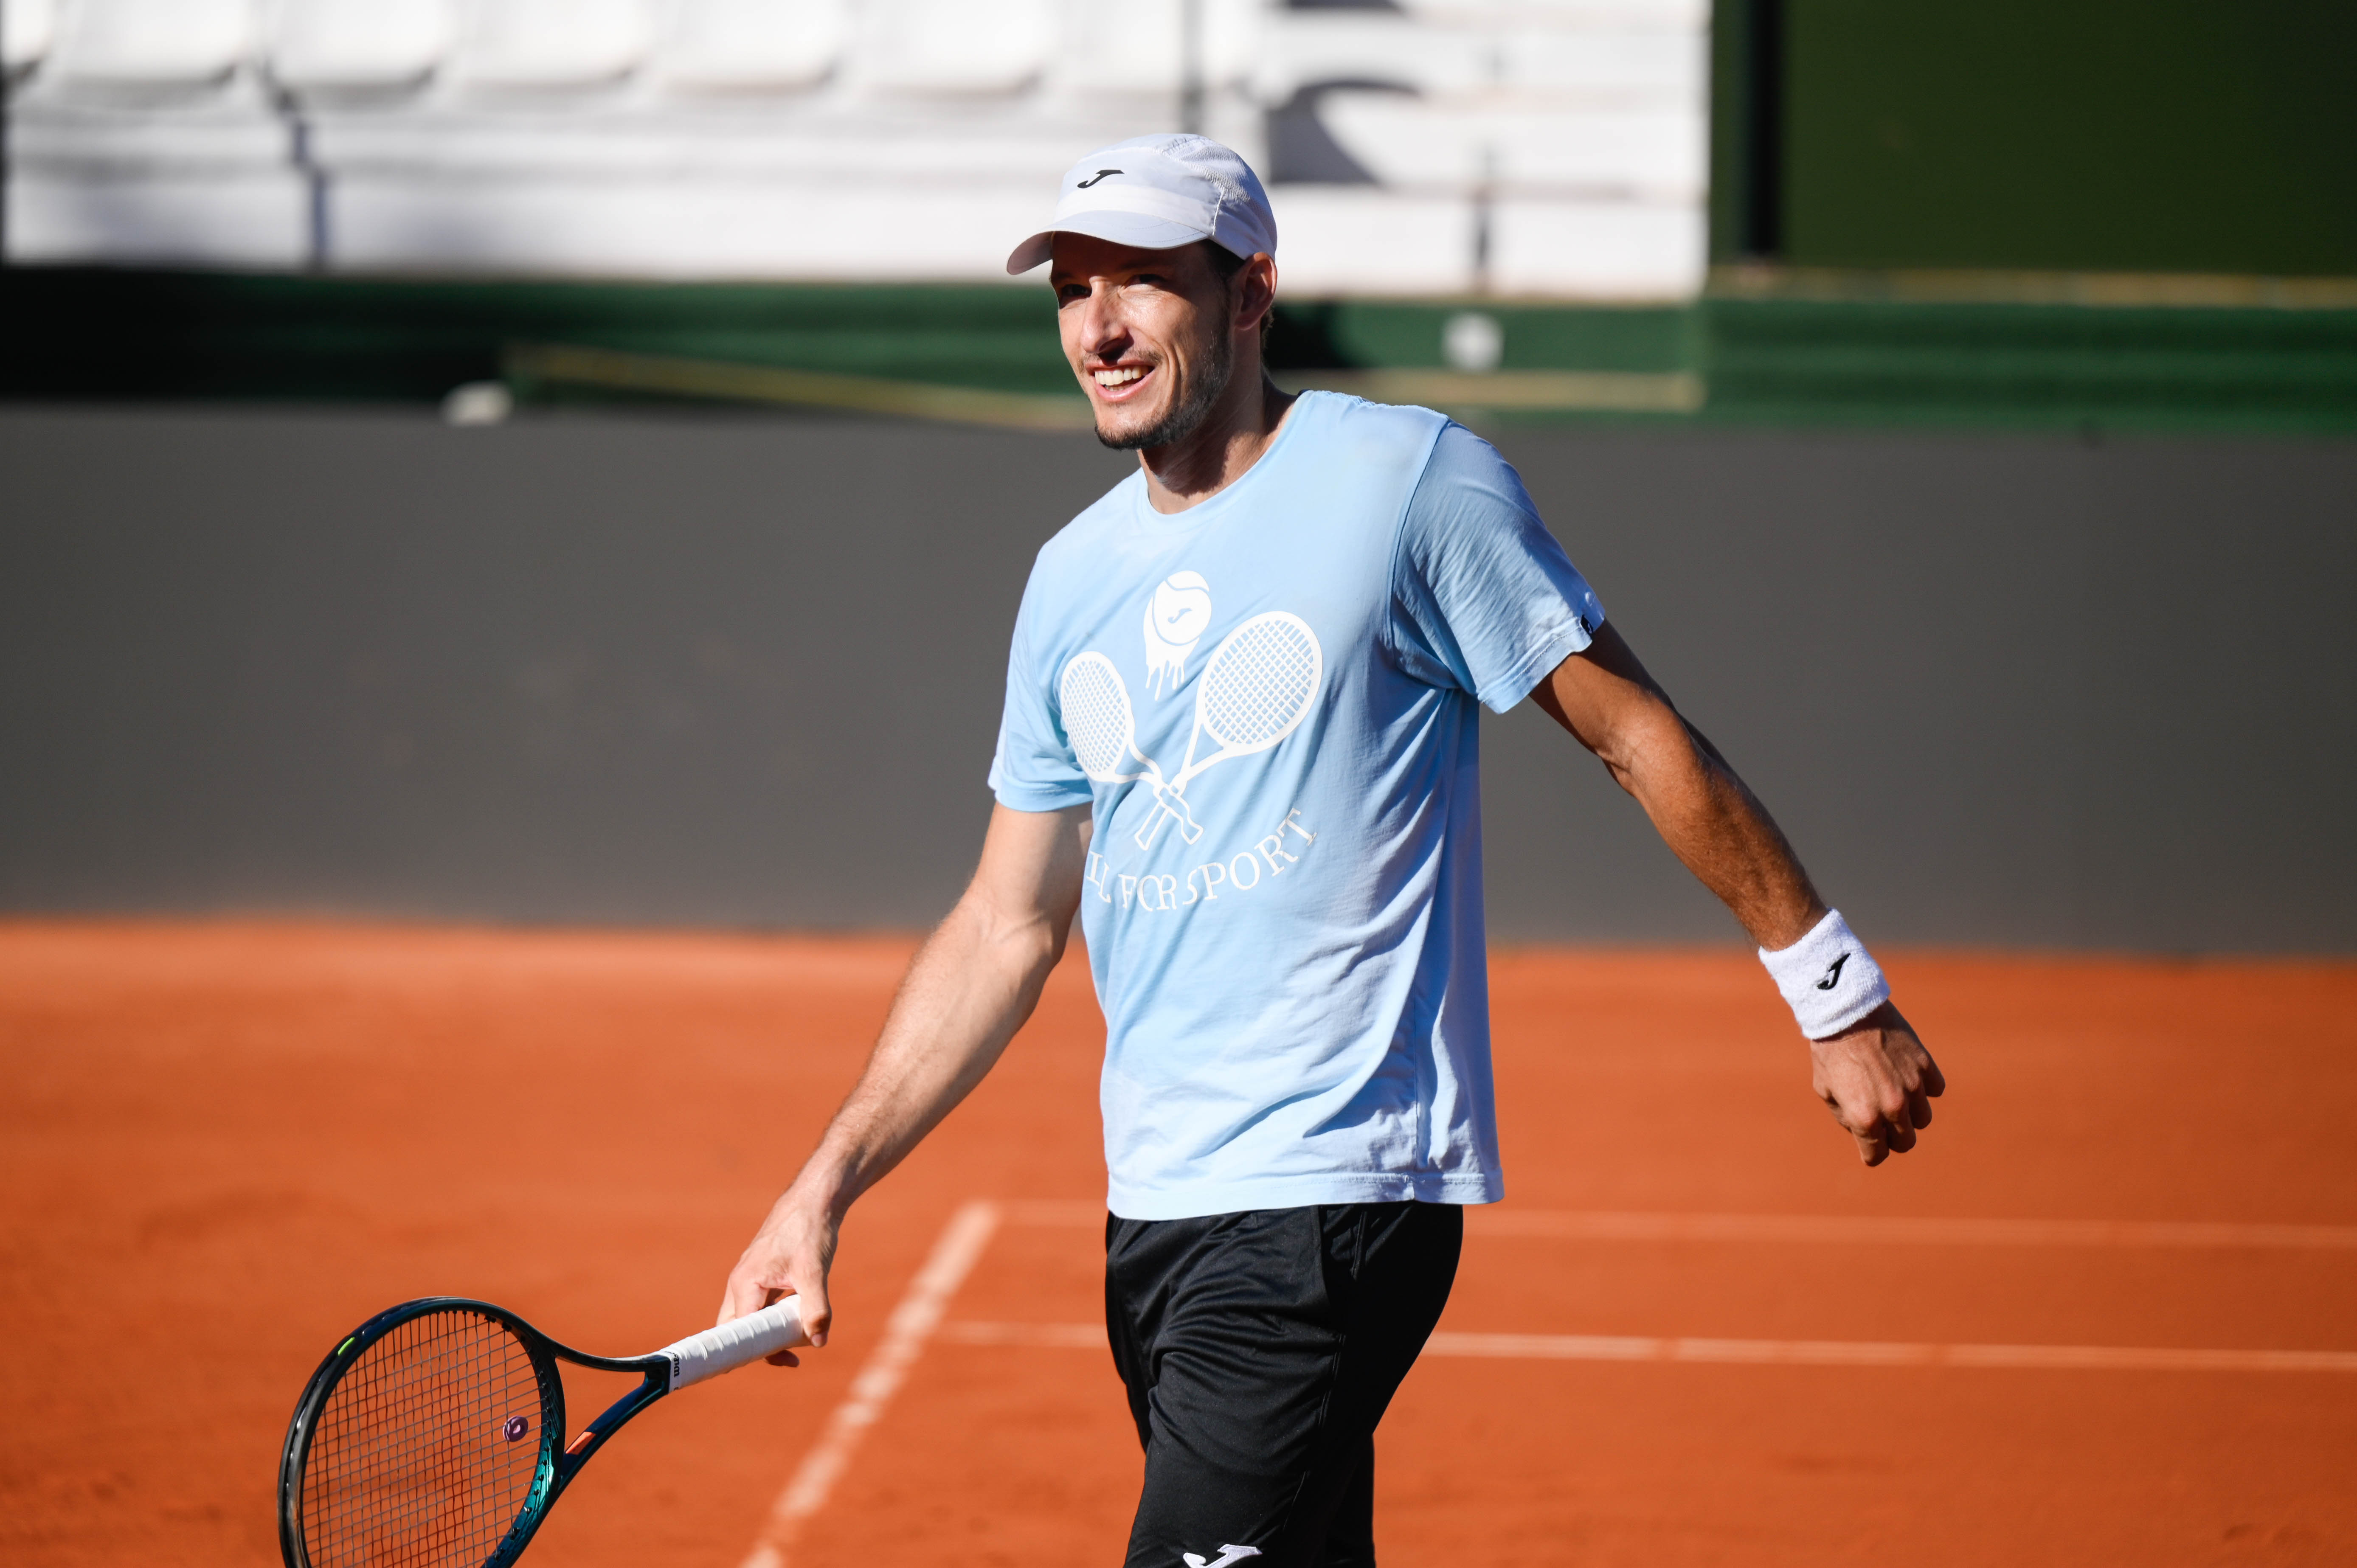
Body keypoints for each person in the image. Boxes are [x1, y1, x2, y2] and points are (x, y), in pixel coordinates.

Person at [718, 134, 1944, 1568]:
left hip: (1329, 1195)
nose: (1097, 329)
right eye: (1071, 291)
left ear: (1251, 294)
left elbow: (1634, 733)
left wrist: (1834, 987)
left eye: (1142, 286)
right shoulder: (1072, 581)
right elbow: (1006, 924)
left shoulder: (1410, 480)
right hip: (1159, 1213)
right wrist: (823, 1187)